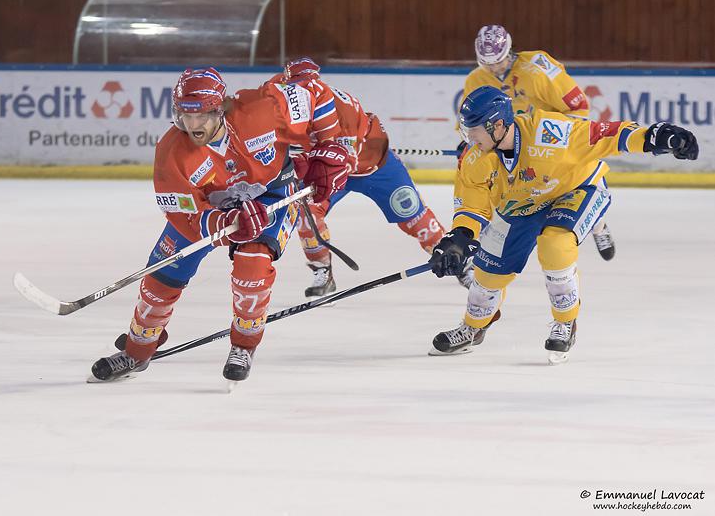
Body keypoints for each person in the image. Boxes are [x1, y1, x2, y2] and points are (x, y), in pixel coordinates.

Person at [89, 67, 352, 383]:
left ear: (218, 110)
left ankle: (243, 346)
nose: (192, 125)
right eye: (185, 116)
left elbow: (315, 91)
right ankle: (137, 351)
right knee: (161, 279)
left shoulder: (262, 108)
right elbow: (183, 215)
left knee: (252, 264)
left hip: (272, 195)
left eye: (200, 116)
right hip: (213, 212)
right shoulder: (172, 152)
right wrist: (224, 222)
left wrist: (331, 146)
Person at [429, 86, 697, 363]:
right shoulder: (474, 158)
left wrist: (653, 137)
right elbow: (472, 206)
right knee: (488, 272)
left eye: (474, 130)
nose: (469, 138)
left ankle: (565, 321)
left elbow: (607, 135)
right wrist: (459, 238)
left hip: (577, 189)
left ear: (497, 125)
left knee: (555, 244)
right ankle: (473, 327)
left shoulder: (549, 132)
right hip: (524, 204)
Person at [270, 57, 448, 298]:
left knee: (414, 215)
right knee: (306, 215)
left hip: (372, 165)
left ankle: (455, 259)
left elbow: (343, 162)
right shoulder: (281, 95)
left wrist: (305, 165)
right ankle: (322, 271)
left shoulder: (340, 110)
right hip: (326, 165)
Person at [459, 24, 616, 262]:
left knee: (574, 187)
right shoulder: (476, 79)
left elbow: (578, 106)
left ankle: (598, 224)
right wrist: (468, 144)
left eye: (498, 62)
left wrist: (564, 142)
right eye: (486, 64)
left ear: (509, 51)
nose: (493, 69)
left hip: (548, 145)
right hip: (511, 152)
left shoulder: (537, 68)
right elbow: (471, 122)